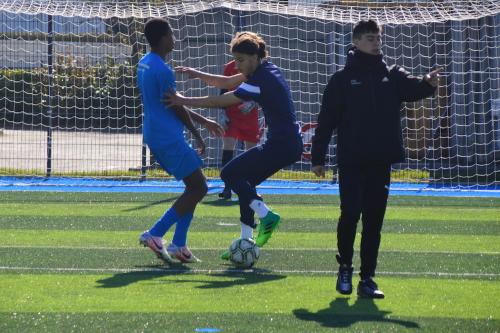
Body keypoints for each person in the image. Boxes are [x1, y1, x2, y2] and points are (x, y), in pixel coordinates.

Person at [311, 19, 441, 298]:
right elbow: (326, 121)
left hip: (380, 161)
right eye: (370, 38)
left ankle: (367, 278)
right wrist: (317, 157)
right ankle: (345, 266)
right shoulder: (342, 80)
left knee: (374, 221)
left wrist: (428, 84)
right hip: (351, 160)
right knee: (350, 214)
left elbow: (414, 88)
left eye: (378, 37)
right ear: (356, 42)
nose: (376, 42)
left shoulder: (392, 74)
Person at [167, 31, 303, 259]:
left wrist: (183, 100)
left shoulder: (259, 81)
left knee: (229, 173)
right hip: (287, 144)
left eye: (240, 60)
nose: (237, 66)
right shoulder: (266, 68)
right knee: (244, 183)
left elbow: (219, 101)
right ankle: (245, 240)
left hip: (282, 144)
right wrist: (196, 73)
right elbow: (227, 82)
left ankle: (266, 215)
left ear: (253, 56)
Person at [136, 18, 224, 263]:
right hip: (168, 137)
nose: (174, 38)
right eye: (171, 34)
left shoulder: (144, 63)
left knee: (193, 188)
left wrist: (203, 122)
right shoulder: (162, 69)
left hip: (156, 134)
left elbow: (173, 101)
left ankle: (179, 244)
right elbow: (177, 107)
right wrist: (199, 133)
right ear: (164, 38)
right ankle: (155, 233)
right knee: (199, 187)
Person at [218, 59, 261, 200]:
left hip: (250, 114)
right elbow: (223, 90)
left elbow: (263, 87)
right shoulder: (229, 66)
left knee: (251, 151)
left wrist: (254, 101)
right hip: (232, 113)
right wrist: (222, 112)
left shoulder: (255, 65)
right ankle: (227, 187)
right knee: (228, 145)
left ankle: (251, 186)